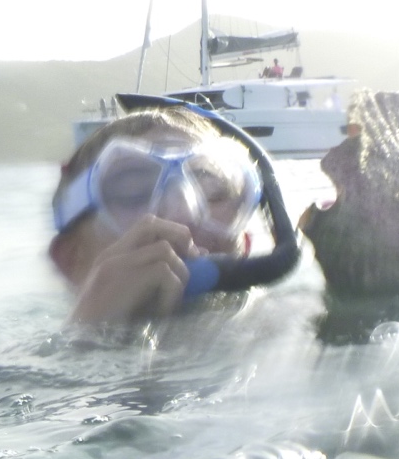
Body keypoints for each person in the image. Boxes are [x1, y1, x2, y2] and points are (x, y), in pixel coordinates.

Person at [49, 106, 264, 324]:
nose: (184, 215)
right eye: (133, 192)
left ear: (245, 244)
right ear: (72, 259)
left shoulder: (275, 325)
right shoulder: (57, 340)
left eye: (213, 193)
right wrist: (91, 328)